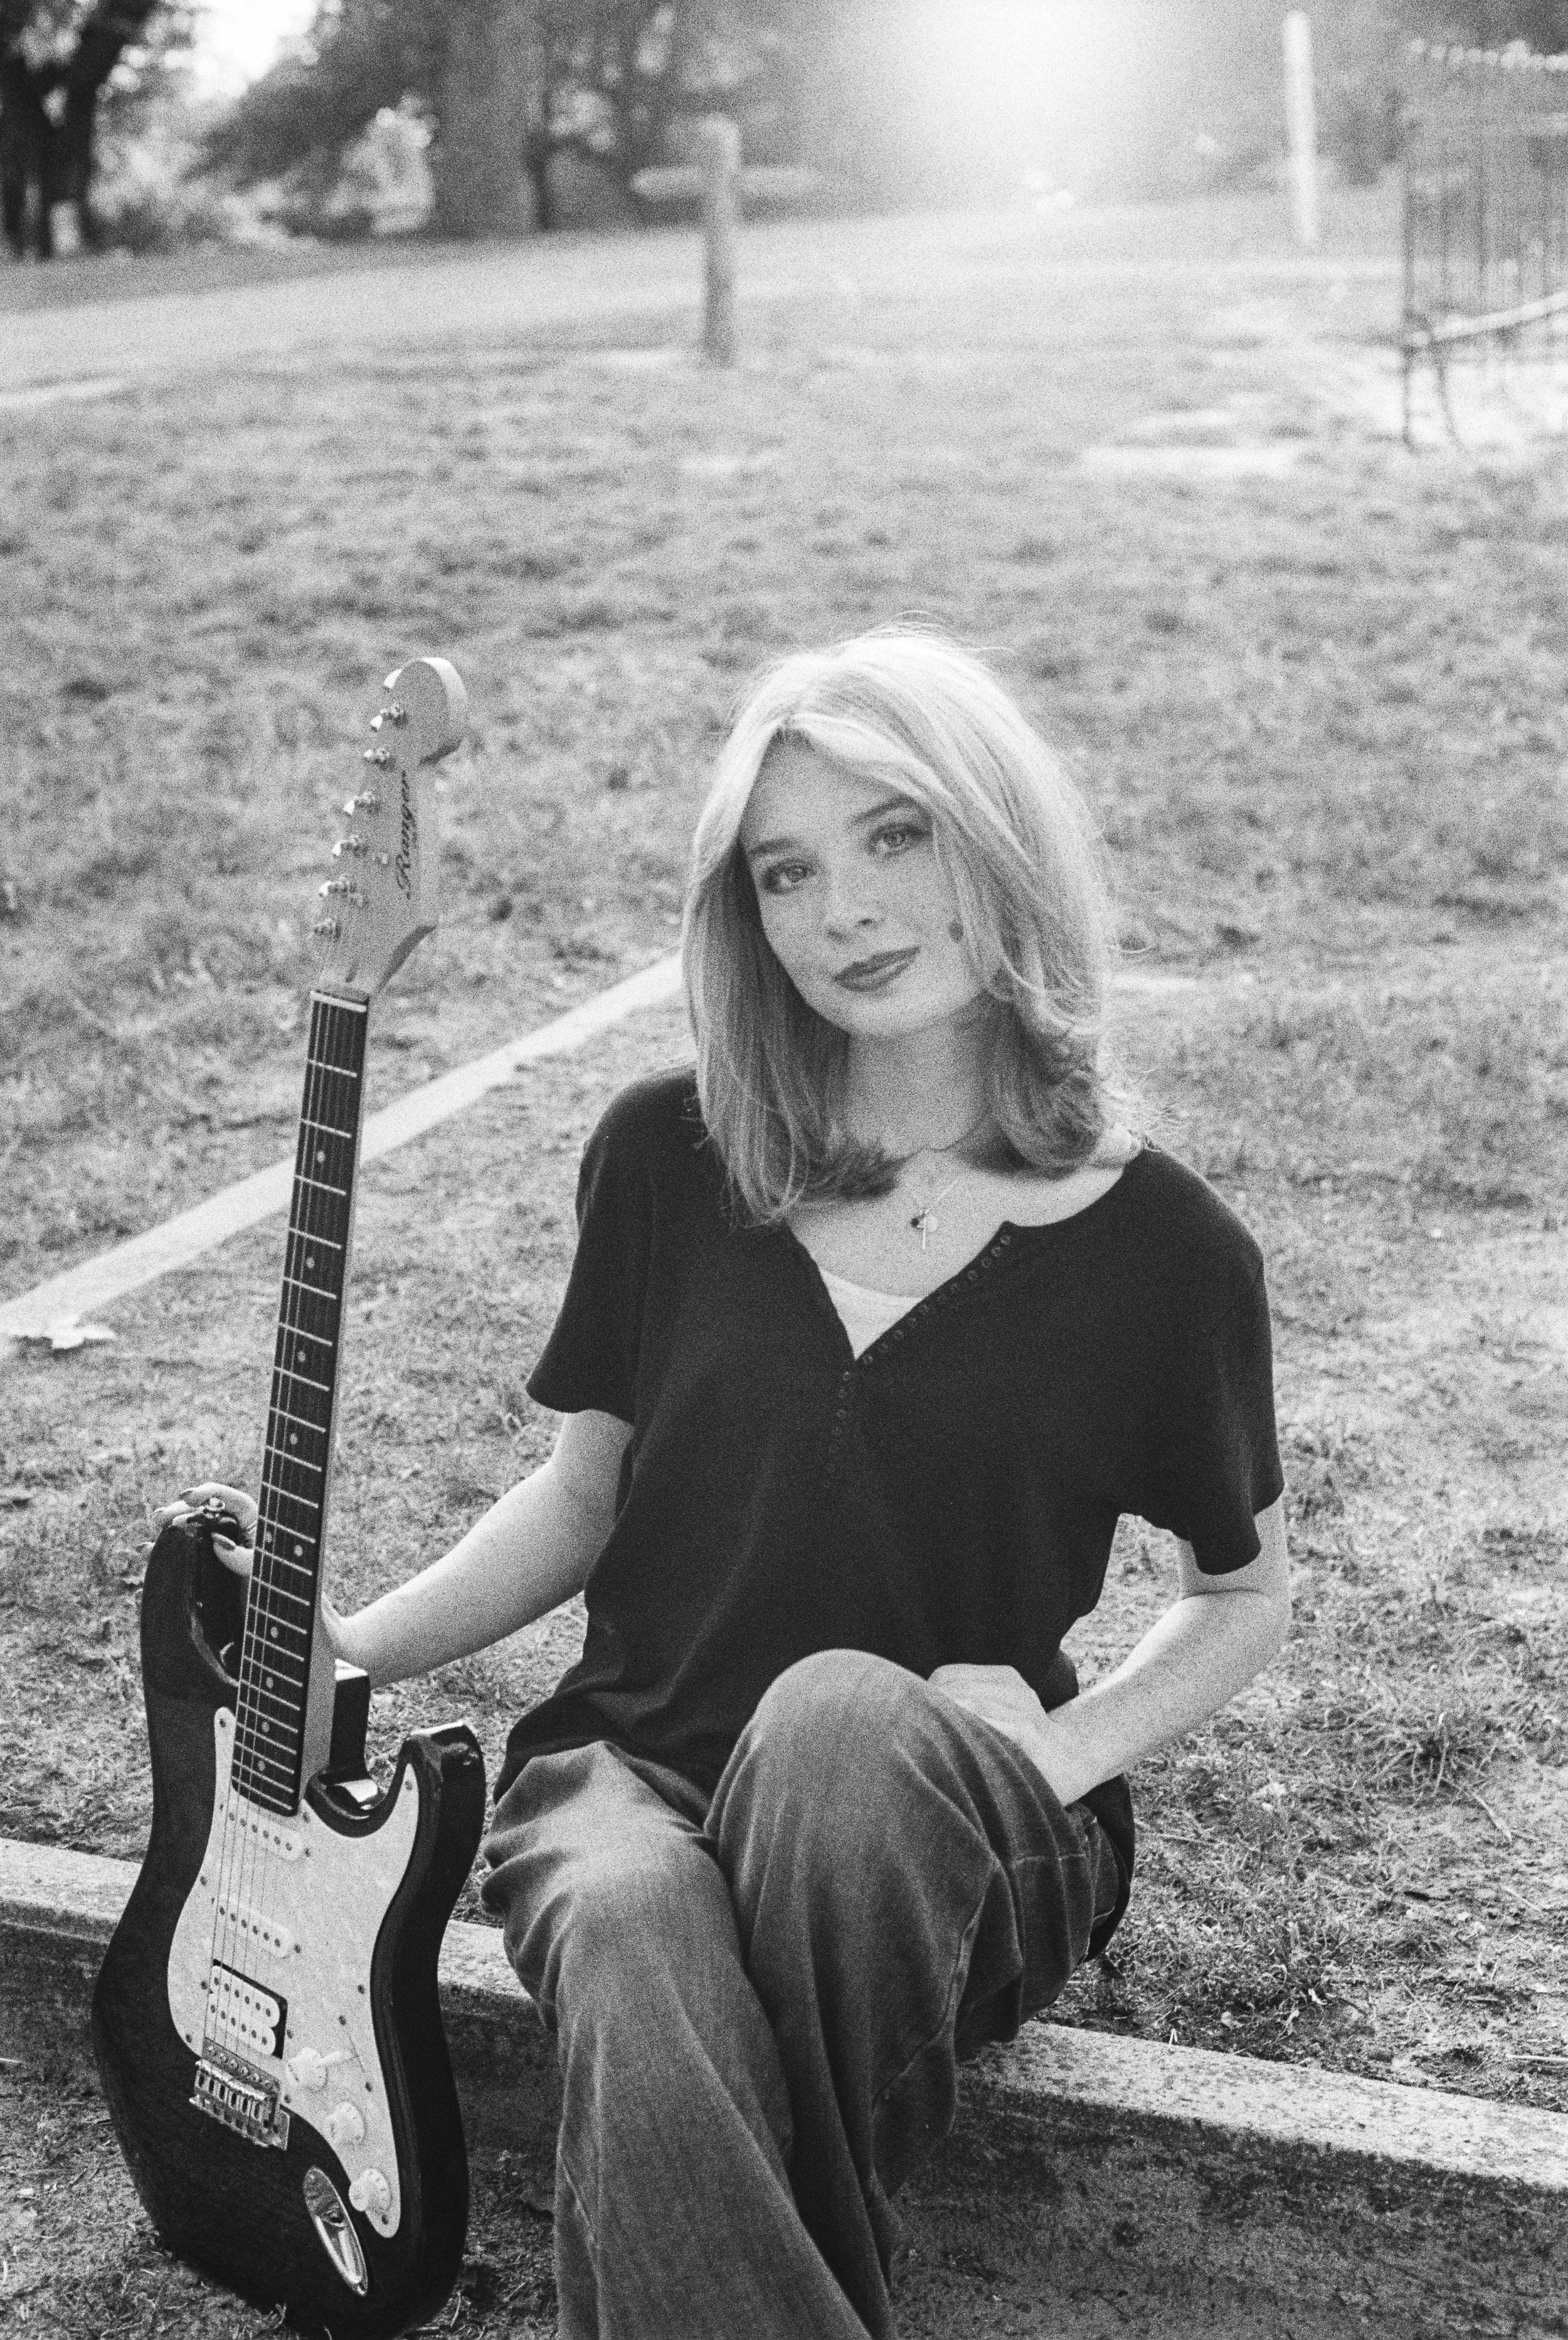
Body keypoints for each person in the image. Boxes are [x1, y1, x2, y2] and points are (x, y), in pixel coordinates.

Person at [172, 628, 1288, 2340]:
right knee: (630, 1918)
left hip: (940, 1833)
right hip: (627, 1772)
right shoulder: (666, 1158)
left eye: (894, 834)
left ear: (997, 832)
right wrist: (343, 1654)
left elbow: (1237, 1595)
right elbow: (579, 1501)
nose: (843, 909)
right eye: (787, 871)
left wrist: (1055, 1750)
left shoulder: (1164, 1253)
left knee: (836, 1730)